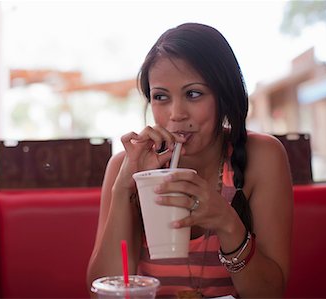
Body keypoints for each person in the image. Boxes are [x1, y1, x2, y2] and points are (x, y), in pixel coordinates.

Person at [87, 22, 293, 298]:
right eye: (161, 97)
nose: (176, 114)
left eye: (193, 94)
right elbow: (102, 292)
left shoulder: (262, 157)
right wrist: (124, 188)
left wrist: (227, 222)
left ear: (224, 95)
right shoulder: (127, 166)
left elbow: (271, 294)